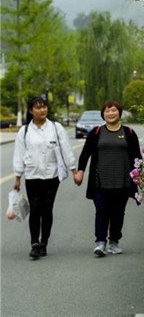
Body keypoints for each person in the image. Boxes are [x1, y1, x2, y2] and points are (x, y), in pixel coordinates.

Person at [74, 101, 142, 257]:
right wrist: (80, 171)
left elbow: (137, 156)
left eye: (114, 110)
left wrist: (139, 174)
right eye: (107, 111)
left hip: (123, 181)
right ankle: (100, 242)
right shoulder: (96, 132)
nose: (111, 113)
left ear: (119, 113)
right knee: (101, 211)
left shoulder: (129, 133)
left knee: (118, 213)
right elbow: (85, 154)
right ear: (103, 114)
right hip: (100, 181)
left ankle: (114, 242)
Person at [12, 96, 77, 259]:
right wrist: (18, 177)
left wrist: (73, 170)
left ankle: (44, 243)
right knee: (35, 209)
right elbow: (19, 154)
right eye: (38, 107)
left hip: (51, 175)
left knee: (47, 209)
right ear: (31, 111)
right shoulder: (24, 131)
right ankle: (34, 243)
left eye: (44, 107)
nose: (42, 110)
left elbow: (66, 149)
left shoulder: (56, 127)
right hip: (32, 176)